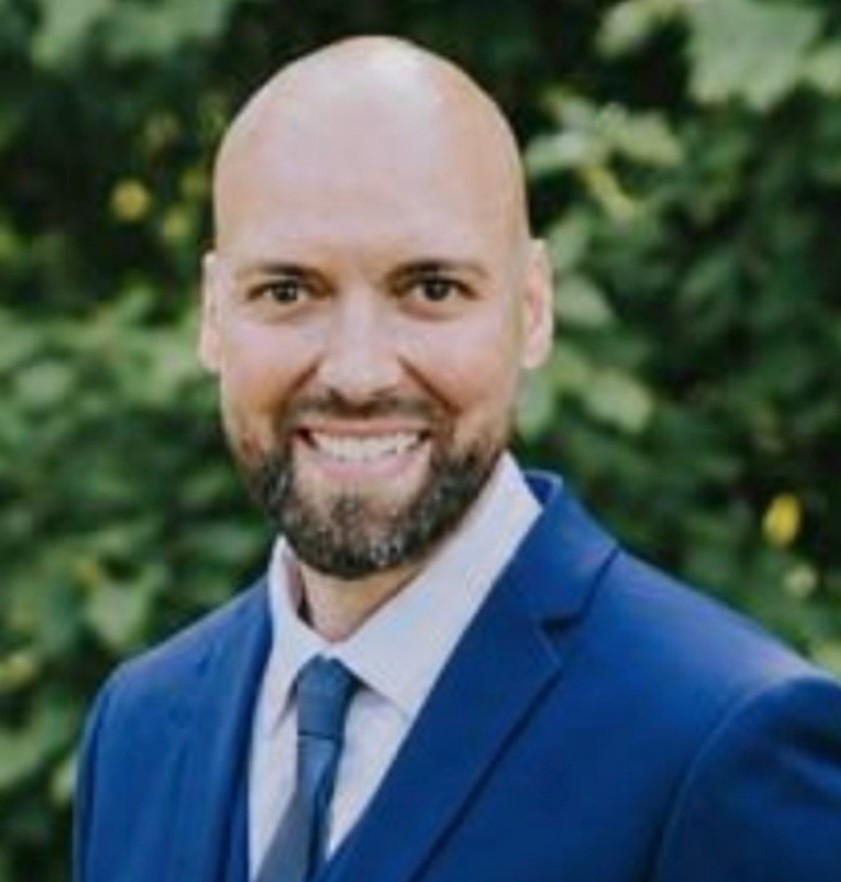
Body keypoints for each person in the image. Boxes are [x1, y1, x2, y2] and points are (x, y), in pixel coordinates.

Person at [73, 36, 841, 882]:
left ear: (532, 308)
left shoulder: (725, 739)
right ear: (214, 316)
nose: (357, 373)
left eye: (431, 289)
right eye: (287, 291)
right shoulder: (138, 728)